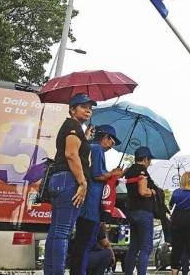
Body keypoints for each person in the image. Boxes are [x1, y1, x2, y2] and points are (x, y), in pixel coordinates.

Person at [44, 93, 95, 275]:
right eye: (83, 106)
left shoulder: (73, 127)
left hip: (59, 179)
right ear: (72, 109)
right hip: (69, 180)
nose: (88, 109)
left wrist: (85, 138)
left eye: (90, 107)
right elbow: (71, 154)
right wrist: (82, 182)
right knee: (63, 232)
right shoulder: (73, 125)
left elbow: (74, 150)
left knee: (56, 230)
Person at [70, 125, 124, 275]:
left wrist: (113, 176)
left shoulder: (92, 148)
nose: (113, 144)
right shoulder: (96, 149)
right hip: (90, 206)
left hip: (90, 205)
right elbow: (97, 175)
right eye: (112, 140)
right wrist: (113, 173)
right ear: (106, 137)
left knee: (84, 242)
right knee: (84, 243)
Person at [124, 146, 157, 275]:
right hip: (143, 212)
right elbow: (142, 191)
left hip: (132, 211)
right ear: (145, 159)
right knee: (146, 247)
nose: (150, 163)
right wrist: (153, 192)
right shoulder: (142, 171)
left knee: (134, 247)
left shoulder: (129, 170)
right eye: (149, 160)